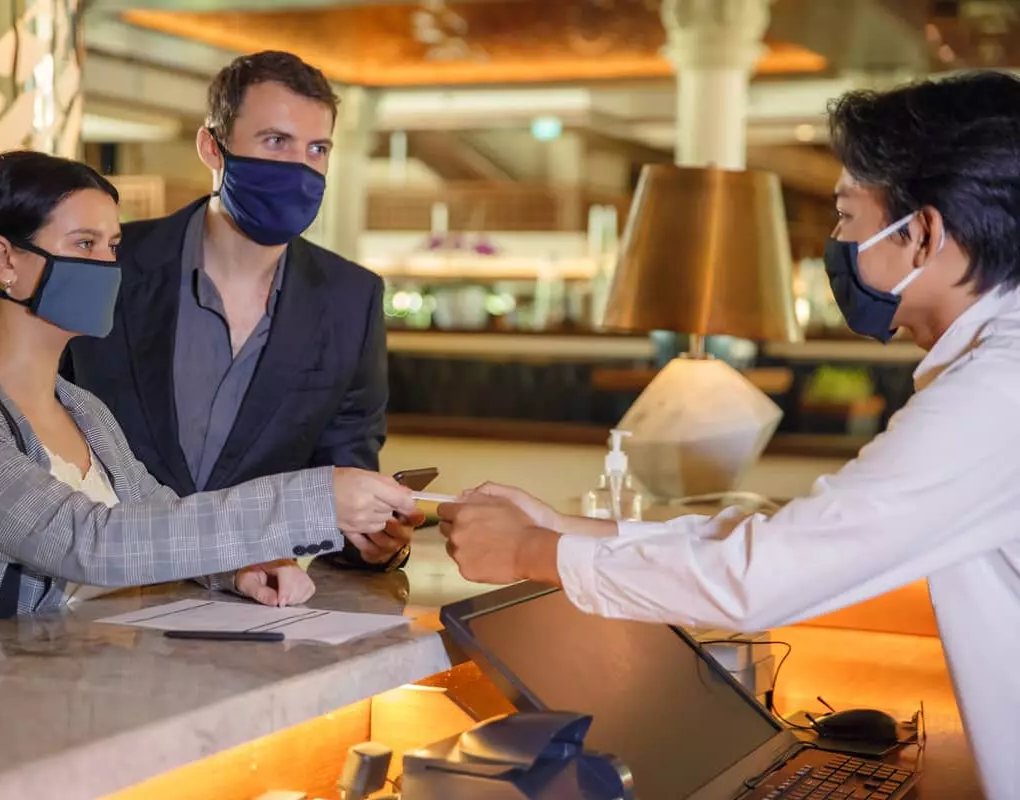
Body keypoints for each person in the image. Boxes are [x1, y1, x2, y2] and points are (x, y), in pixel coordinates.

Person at [436, 71, 1020, 799]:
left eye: (846, 218)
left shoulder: (997, 392)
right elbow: (799, 537)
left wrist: (532, 551)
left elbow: (764, 577)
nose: (836, 244)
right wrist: (566, 527)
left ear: (923, 233)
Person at [0, 150, 416, 638]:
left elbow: (156, 515)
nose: (108, 267)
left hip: (79, 701)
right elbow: (87, 542)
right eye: (83, 244)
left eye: (112, 247)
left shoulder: (82, 409)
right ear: (4, 261)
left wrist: (239, 565)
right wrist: (313, 501)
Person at [62, 50, 418, 599]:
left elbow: (342, 480)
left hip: (251, 616)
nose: (299, 168)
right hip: (87, 606)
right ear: (212, 148)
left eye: (317, 149)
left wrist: (378, 542)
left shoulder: (352, 299)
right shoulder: (108, 265)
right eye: (276, 142)